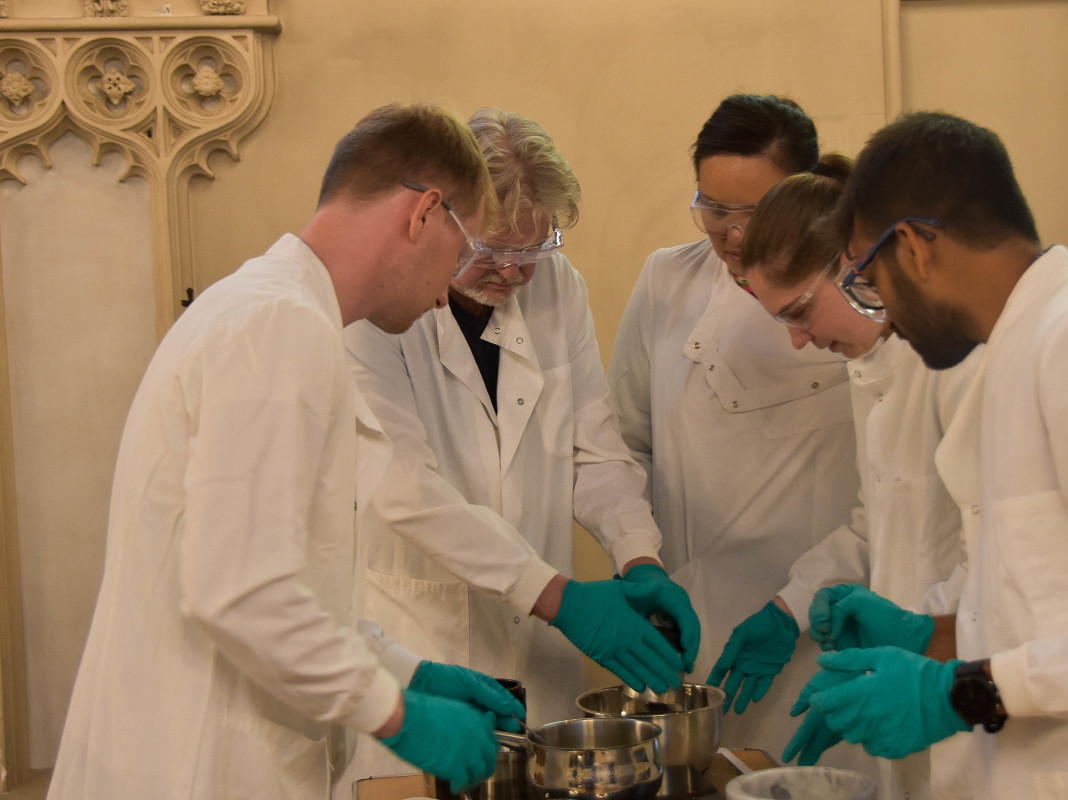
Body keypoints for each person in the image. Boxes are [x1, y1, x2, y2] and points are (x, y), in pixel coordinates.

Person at [46, 103, 528, 800]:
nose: (447, 291)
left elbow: (286, 579)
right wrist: (397, 714)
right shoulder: (278, 325)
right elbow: (242, 593)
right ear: (424, 213)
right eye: (463, 252)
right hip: (195, 767)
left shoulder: (266, 310)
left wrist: (407, 671)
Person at [793, 111, 1068, 799]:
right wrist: (934, 633)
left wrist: (964, 690)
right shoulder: (1006, 357)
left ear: (917, 247)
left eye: (869, 278)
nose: (882, 309)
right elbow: (1051, 597)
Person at [342, 108, 699, 736]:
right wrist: (557, 595)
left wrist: (638, 556)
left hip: (536, 649)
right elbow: (404, 488)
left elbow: (594, 447)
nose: (513, 271)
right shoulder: (372, 307)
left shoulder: (556, 287)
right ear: (447, 223)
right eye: (492, 250)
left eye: (533, 248)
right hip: (424, 627)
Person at [607, 93, 862, 763]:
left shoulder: (856, 301)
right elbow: (620, 443)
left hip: (820, 622)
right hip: (692, 624)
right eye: (714, 209)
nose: (733, 235)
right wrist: (638, 560)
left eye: (755, 211)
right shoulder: (668, 279)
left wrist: (798, 606)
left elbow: (888, 495)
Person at [713, 167, 976, 800]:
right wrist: (792, 604)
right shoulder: (871, 366)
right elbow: (876, 516)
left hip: (968, 691)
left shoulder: (956, 366)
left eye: (800, 311)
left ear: (853, 265)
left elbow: (1003, 554)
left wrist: (915, 632)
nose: (800, 341)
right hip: (917, 687)